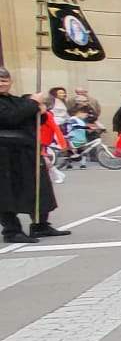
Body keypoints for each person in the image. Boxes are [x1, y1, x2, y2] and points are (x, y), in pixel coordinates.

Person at [0, 69, 70, 244]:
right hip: (4, 153)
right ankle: (11, 230)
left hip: (26, 151)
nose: (2, 83)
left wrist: (40, 110)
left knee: (39, 188)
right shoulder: (22, 103)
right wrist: (32, 103)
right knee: (6, 192)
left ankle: (40, 225)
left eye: (4, 80)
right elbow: (9, 118)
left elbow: (32, 121)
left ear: (10, 81)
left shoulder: (17, 101)